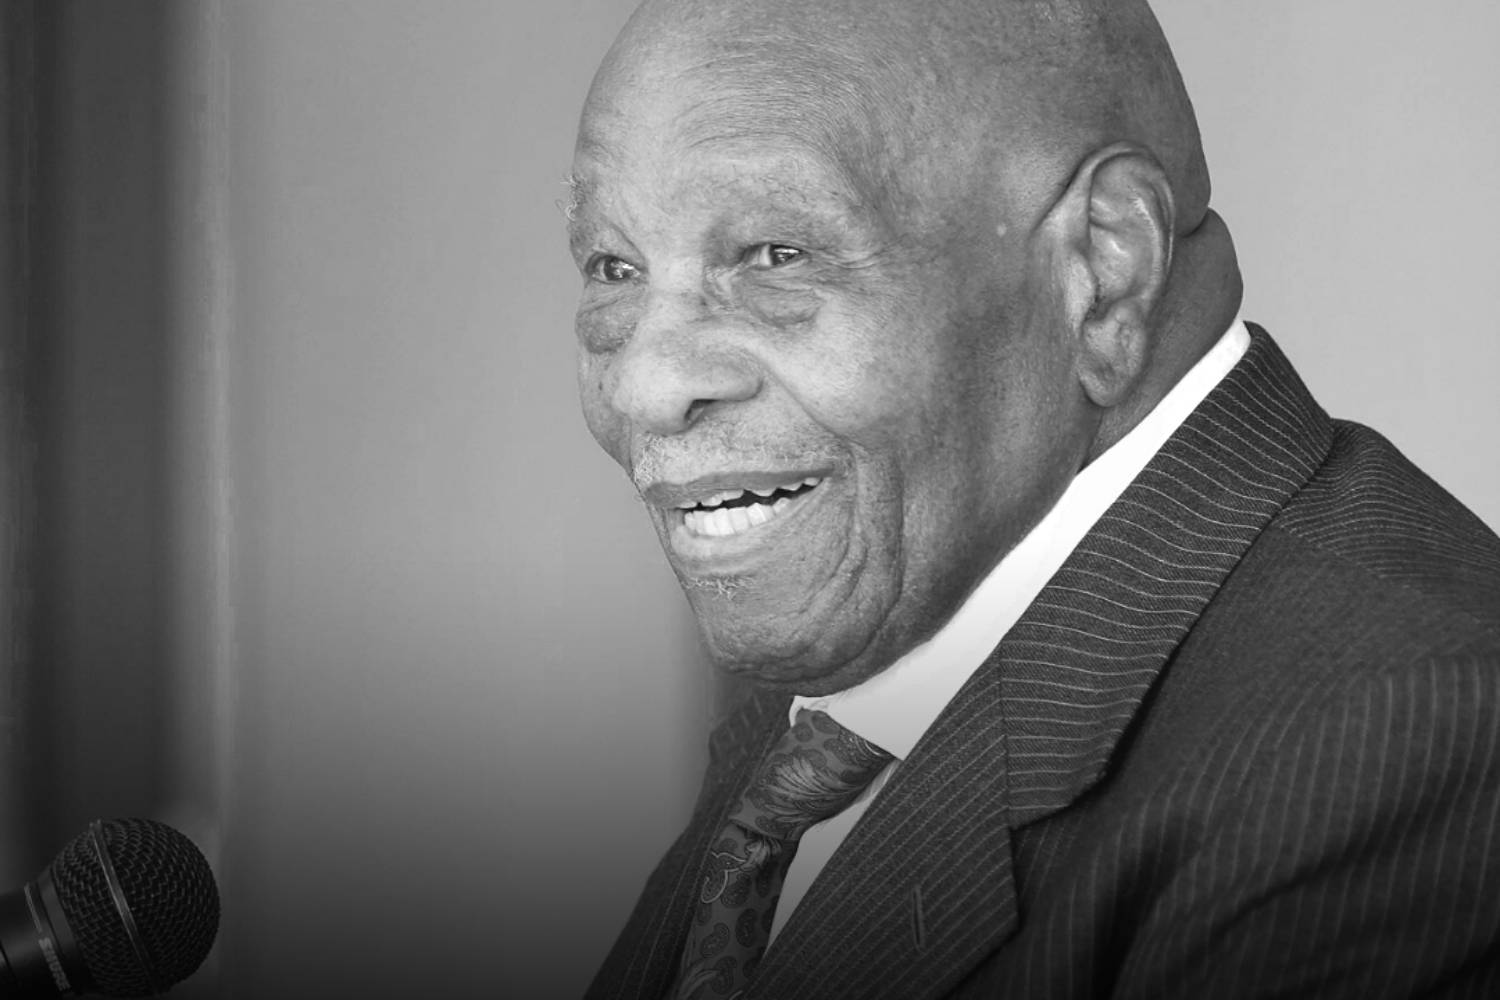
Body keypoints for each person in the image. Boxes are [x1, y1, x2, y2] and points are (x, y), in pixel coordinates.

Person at [564, 0, 1500, 995]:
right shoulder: (853, 692)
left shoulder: (1403, 742)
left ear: (1104, 269)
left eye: (776, 254)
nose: (644, 387)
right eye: (613, 267)